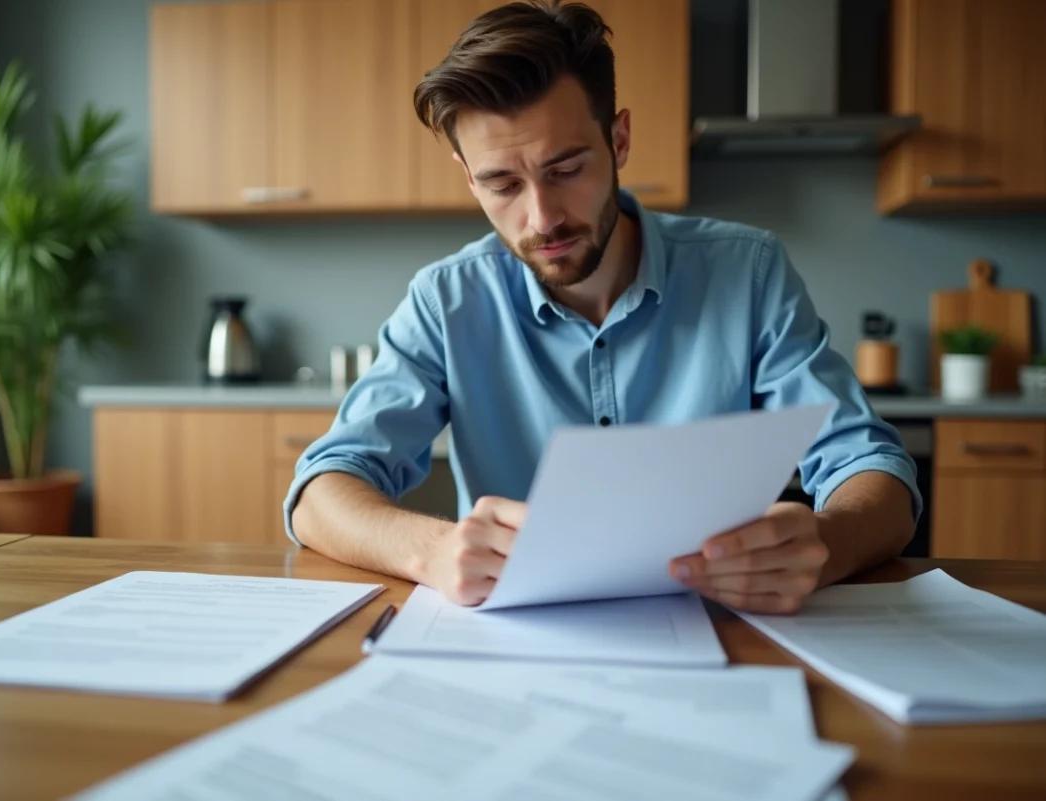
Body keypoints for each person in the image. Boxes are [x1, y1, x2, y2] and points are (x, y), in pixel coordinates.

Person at [284, 0, 920, 614]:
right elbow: (321, 492)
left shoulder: (747, 273)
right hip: (515, 650)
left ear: (618, 141)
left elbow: (871, 467)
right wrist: (432, 549)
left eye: (566, 169)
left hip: (722, 631)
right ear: (468, 177)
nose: (542, 218)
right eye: (501, 183)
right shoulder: (448, 300)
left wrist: (828, 542)